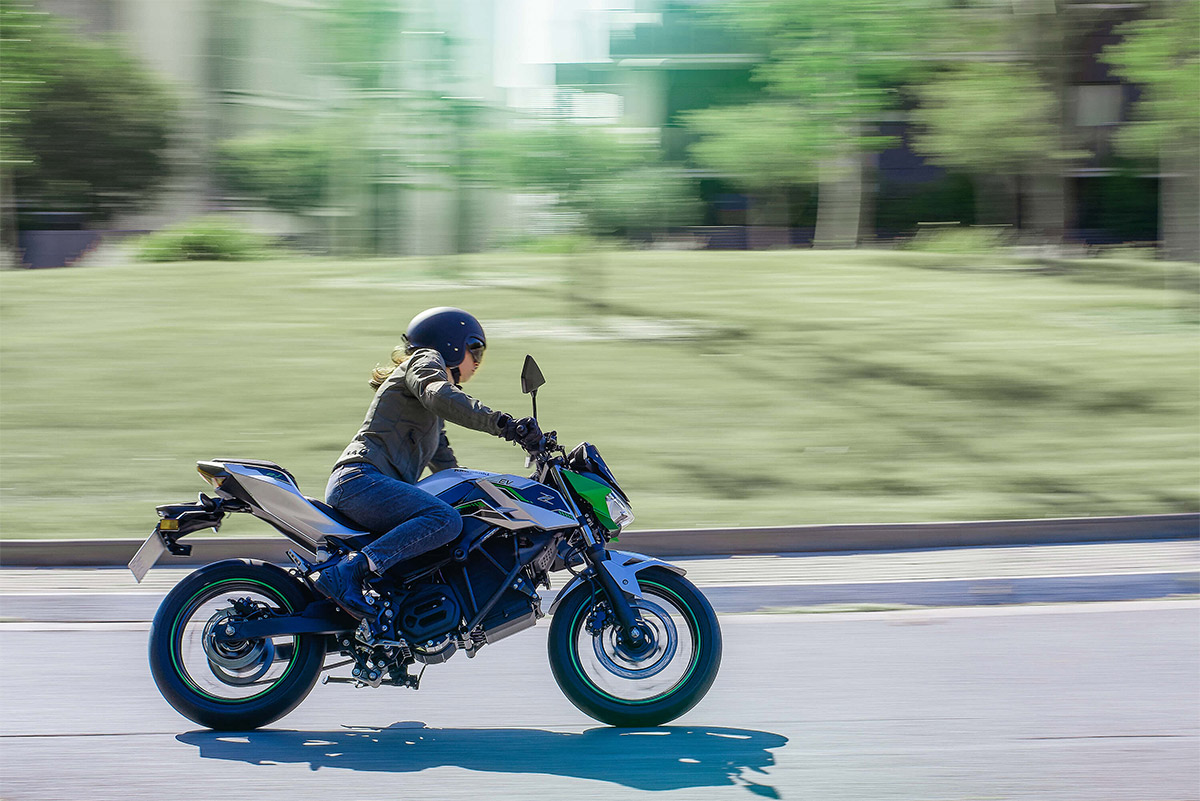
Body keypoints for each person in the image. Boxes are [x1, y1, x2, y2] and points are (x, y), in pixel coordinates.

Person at [312, 307, 540, 618]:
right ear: (450, 344)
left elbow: (448, 467)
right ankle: (350, 571)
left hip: (368, 485)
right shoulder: (424, 361)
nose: (477, 361)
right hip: (360, 480)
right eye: (475, 350)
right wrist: (503, 424)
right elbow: (438, 394)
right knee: (444, 519)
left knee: (455, 518)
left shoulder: (429, 415)